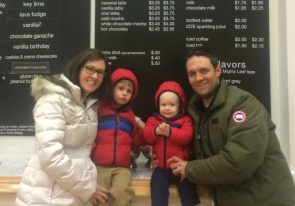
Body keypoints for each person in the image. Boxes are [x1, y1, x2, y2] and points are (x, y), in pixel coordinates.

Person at [168, 47, 295, 206]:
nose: (198, 78)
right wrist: (165, 154)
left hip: (265, 201)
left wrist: (189, 169)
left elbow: (238, 163)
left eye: (204, 71)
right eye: (192, 74)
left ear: (218, 70)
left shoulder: (243, 105)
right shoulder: (194, 111)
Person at [15, 49, 112, 206]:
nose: (95, 76)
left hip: (72, 194)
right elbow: (51, 157)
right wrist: (88, 188)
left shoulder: (89, 104)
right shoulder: (52, 101)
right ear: (78, 67)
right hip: (47, 197)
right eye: (90, 69)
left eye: (100, 72)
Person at [91, 68, 144, 206]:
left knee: (122, 195)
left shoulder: (131, 116)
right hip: (99, 166)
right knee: (100, 199)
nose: (124, 93)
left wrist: (146, 134)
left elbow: (133, 140)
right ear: (111, 88)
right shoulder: (99, 109)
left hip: (122, 168)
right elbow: (90, 135)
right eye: (120, 88)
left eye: (129, 91)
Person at [143, 81, 200, 206]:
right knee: (157, 189)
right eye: (163, 104)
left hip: (180, 167)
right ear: (158, 105)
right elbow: (146, 135)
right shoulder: (153, 120)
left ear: (180, 106)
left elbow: (187, 137)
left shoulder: (185, 120)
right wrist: (156, 131)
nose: (167, 108)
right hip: (161, 168)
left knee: (188, 190)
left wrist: (170, 132)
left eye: (172, 104)